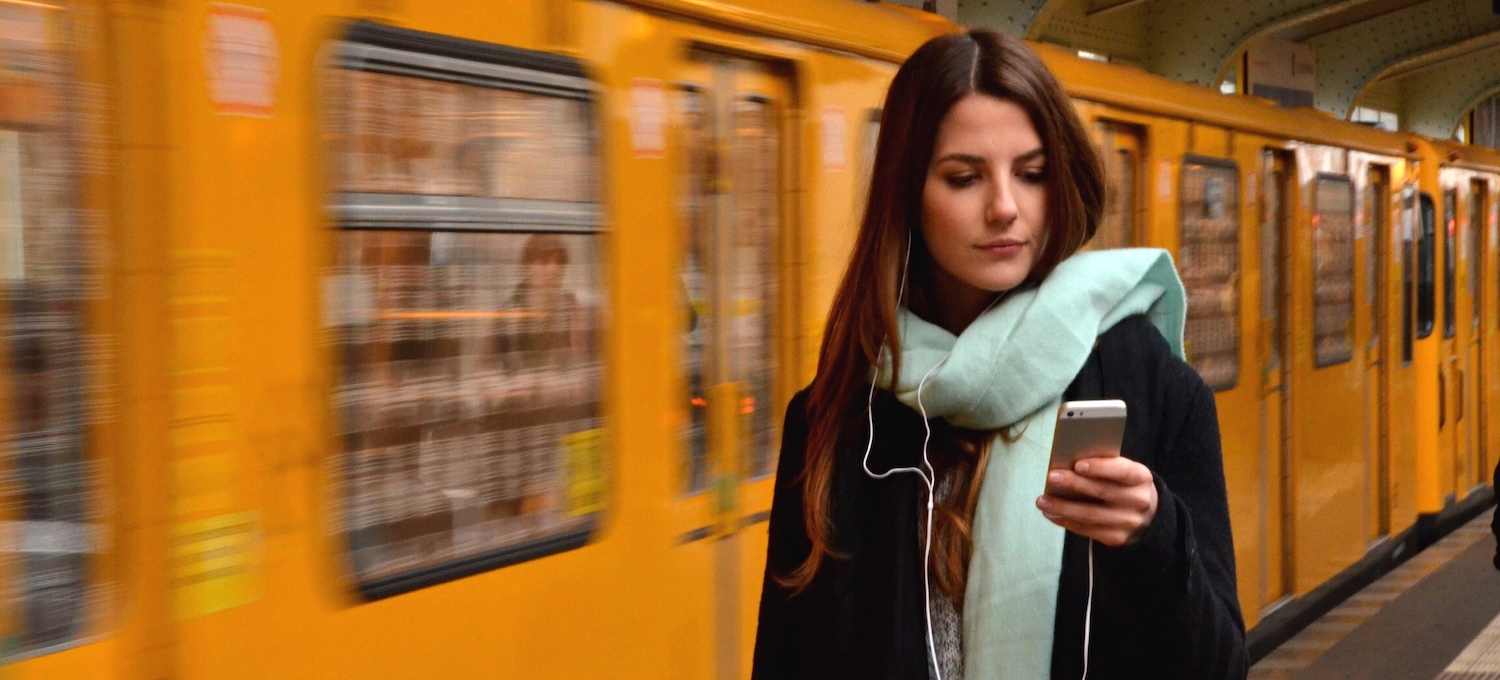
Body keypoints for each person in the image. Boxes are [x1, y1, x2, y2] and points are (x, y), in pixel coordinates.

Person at [751, 29, 1247, 680]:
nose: (1005, 208)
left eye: (1032, 174)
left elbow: (1220, 666)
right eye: (964, 178)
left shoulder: (1150, 386)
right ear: (907, 194)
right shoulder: (840, 419)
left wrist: (1153, 537)